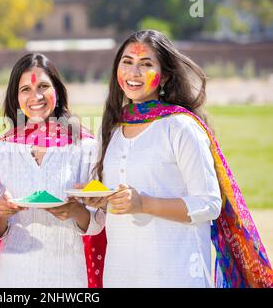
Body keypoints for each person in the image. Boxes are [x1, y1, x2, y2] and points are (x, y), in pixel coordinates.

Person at [85, 29, 273, 287]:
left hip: (177, 273)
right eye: (127, 62)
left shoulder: (181, 127)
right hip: (122, 275)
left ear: (165, 76)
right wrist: (95, 202)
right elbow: (111, 212)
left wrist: (142, 203)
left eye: (146, 64)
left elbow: (208, 203)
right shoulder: (111, 130)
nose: (133, 72)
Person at [0, 53, 106, 288]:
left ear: (57, 91)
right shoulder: (0, 151)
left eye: (43, 86)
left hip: (68, 276)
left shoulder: (85, 146)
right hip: (13, 276)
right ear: (15, 96)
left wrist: (74, 210)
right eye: (25, 89)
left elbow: (97, 223)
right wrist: (1, 213)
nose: (35, 97)